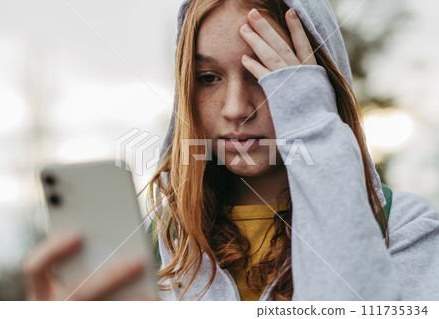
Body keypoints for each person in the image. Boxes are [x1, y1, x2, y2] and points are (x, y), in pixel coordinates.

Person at [23, 0, 439, 301]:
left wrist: (310, 124)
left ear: (317, 84)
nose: (236, 108)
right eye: (208, 78)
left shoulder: (404, 229)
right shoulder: (156, 251)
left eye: (267, 72)